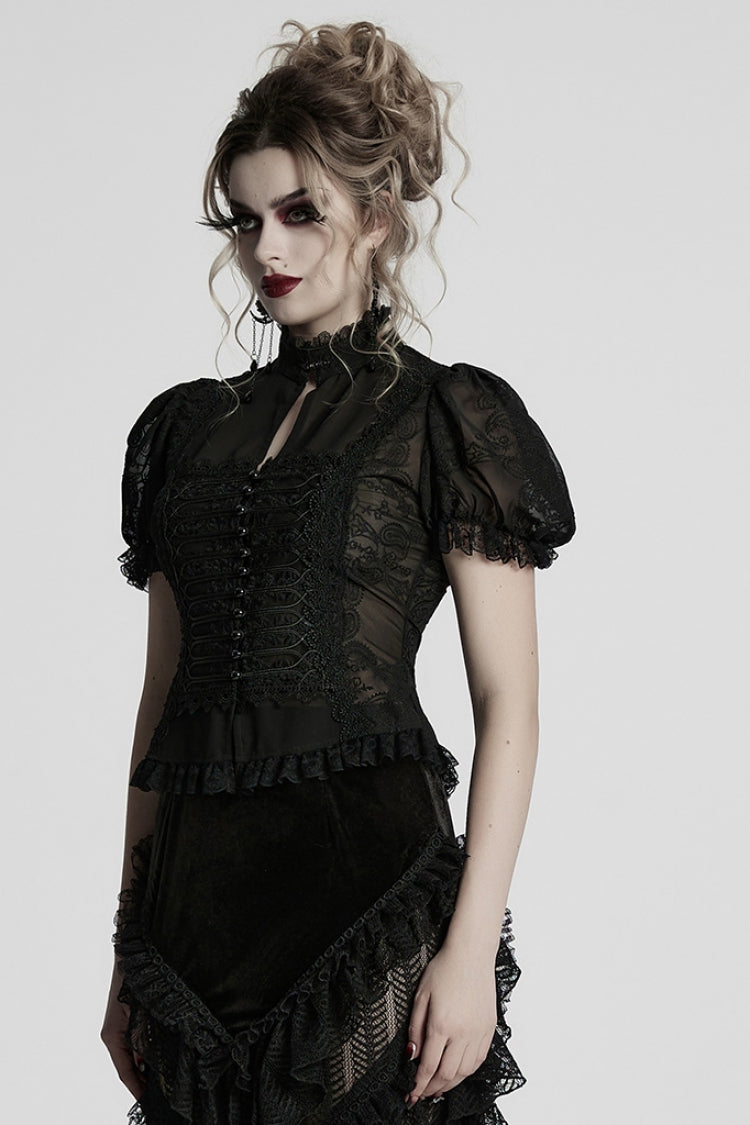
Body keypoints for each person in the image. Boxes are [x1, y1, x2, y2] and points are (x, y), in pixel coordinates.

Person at [101, 20, 576, 1125]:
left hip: (368, 900)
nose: (268, 248)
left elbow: (510, 702)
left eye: (300, 212)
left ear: (378, 214)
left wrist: (470, 949)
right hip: (193, 917)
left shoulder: (447, 417)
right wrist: (125, 943)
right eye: (247, 219)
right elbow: (161, 701)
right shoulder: (182, 432)